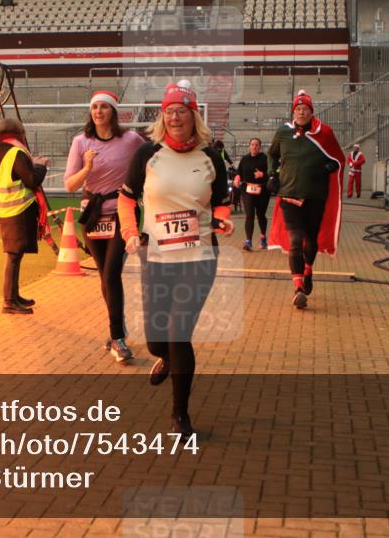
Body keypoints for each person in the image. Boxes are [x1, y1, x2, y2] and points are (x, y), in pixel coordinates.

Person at [118, 82, 234, 440]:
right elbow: (126, 200)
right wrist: (128, 232)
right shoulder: (147, 155)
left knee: (178, 332)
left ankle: (179, 414)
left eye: (181, 111)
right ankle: (164, 357)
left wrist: (224, 218)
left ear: (193, 116)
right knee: (156, 339)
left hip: (198, 255)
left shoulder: (211, 156)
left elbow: (221, 201)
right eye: (168, 111)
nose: (174, 117)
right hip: (156, 256)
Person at [64, 90, 147, 364]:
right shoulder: (80, 142)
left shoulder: (131, 139)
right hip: (93, 216)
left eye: (104, 107)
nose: (98, 111)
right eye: (95, 107)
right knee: (104, 276)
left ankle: (118, 339)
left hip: (122, 214)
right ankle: (116, 331)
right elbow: (70, 185)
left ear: (113, 111)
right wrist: (87, 167)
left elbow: (151, 159)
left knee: (111, 273)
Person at [267, 90, 345, 310]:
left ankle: (308, 269)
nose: (301, 112)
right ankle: (298, 287)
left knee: (310, 240)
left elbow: (338, 158)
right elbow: (271, 154)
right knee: (295, 240)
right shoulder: (283, 132)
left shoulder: (325, 133)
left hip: (315, 196)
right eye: (298, 109)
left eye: (306, 109)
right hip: (289, 194)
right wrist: (273, 175)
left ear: (312, 112)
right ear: (293, 112)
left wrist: (329, 167)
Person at [0, 118, 50, 315]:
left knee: (15, 255)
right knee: (13, 256)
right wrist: (40, 165)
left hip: (3, 209)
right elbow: (32, 180)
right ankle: (9, 301)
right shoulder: (15, 153)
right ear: (19, 133)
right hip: (19, 210)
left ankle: (14, 295)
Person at [233, 137, 269, 251]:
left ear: (260, 147)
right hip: (247, 190)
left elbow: (271, 173)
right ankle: (248, 241)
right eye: (252, 144)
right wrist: (237, 178)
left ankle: (263, 237)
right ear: (249, 146)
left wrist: (263, 174)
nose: (254, 147)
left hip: (262, 191)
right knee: (249, 215)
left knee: (261, 215)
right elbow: (239, 171)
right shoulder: (245, 159)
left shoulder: (264, 158)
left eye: (257, 145)